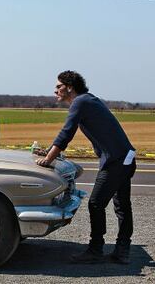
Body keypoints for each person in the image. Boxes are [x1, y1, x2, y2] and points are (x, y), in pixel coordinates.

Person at [36, 71, 136, 264]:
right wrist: (48, 151)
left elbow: (67, 132)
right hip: (125, 159)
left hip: (116, 162)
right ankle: (122, 251)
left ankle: (95, 250)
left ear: (70, 87)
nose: (55, 90)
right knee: (122, 205)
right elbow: (66, 134)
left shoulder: (80, 102)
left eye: (58, 86)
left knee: (96, 204)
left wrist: (48, 159)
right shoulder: (87, 100)